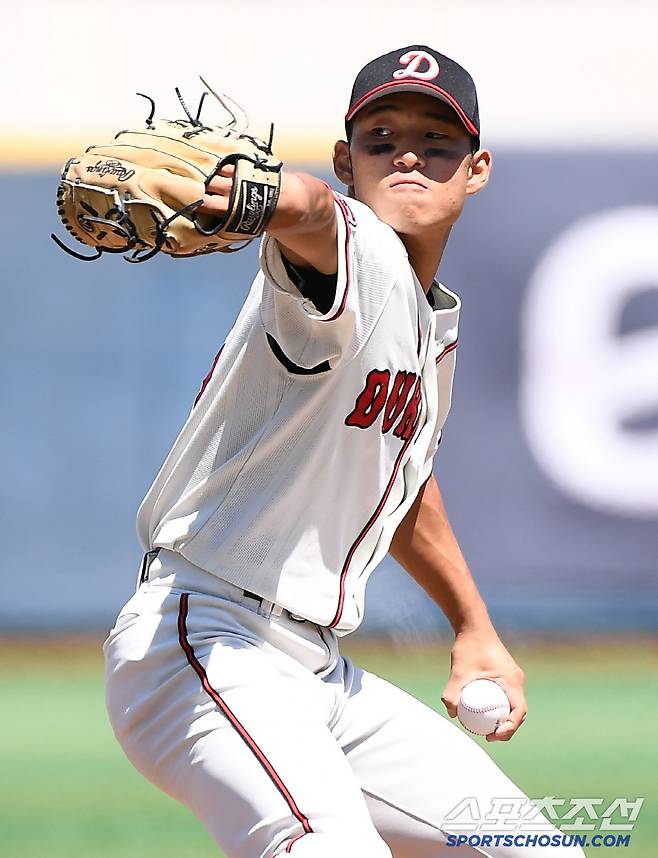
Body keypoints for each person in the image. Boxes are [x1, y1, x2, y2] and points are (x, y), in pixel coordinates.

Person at [104, 46, 584, 857]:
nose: (408, 154)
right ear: (345, 160)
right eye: (381, 138)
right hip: (209, 642)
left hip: (318, 674)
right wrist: (260, 194)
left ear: (477, 170)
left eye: (436, 140)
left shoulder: (430, 323)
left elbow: (404, 485)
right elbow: (312, 212)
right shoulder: (359, 251)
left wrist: (473, 627)